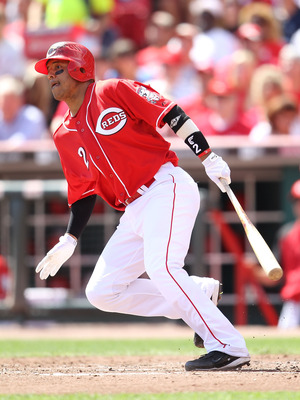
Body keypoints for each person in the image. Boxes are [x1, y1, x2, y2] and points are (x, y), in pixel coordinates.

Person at [34, 41, 250, 371]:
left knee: (163, 267)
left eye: (58, 68)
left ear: (80, 69)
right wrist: (70, 238)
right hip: (133, 209)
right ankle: (199, 292)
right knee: (102, 291)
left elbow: (171, 113)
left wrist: (207, 156)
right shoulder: (64, 133)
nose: (51, 76)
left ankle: (228, 345)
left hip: (165, 187)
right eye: (48, 70)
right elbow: (82, 191)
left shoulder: (113, 90)